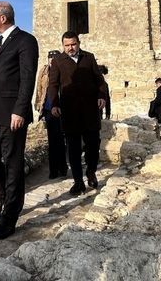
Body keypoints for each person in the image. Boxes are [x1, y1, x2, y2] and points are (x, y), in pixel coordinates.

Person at [0, 1, 39, 241]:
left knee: (13, 163)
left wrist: (20, 110)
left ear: (3, 18)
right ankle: (5, 197)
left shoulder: (25, 41)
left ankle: (10, 217)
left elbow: (27, 77)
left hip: (11, 114)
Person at [47, 31, 107, 196]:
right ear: (63, 45)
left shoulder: (89, 57)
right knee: (73, 149)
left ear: (78, 43)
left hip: (90, 111)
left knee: (93, 146)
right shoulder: (58, 61)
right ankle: (78, 182)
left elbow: (99, 80)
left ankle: (91, 172)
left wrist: (101, 96)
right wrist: (54, 104)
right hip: (69, 111)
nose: (70, 48)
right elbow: (53, 85)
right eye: (66, 45)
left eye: (73, 44)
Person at [35, 50, 68, 179]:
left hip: (62, 110)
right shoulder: (43, 71)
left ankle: (63, 167)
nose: (52, 60)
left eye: (55, 58)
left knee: (62, 140)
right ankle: (53, 170)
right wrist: (38, 106)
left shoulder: (64, 70)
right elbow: (39, 88)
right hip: (48, 109)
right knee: (52, 141)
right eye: (50, 58)